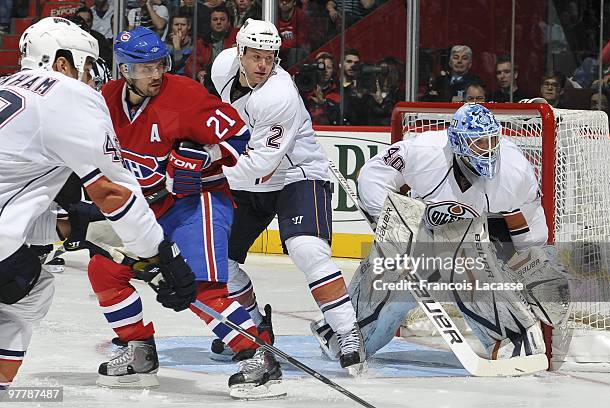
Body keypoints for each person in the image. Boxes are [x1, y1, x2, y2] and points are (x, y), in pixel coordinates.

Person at [0, 17, 196, 396]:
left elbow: (12, 194)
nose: (94, 77)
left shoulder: (8, 87)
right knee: (31, 289)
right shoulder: (69, 95)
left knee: (22, 276)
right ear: (60, 63)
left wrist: (75, 227)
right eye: (88, 65)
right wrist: (160, 254)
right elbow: (113, 193)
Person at [93, 26, 285, 399]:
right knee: (106, 271)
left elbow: (238, 136)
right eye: (144, 68)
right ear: (124, 70)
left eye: (159, 65)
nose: (155, 74)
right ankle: (139, 352)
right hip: (146, 207)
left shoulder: (185, 94)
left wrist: (205, 154)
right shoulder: (106, 100)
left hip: (199, 202)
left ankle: (258, 358)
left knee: (200, 288)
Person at [312, 103, 564, 363]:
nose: (487, 149)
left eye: (491, 140)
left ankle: (512, 339)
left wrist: (528, 263)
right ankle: (345, 333)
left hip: (486, 230)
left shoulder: (514, 171)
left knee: (473, 271)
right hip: (425, 228)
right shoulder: (424, 151)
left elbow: (524, 223)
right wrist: (392, 222)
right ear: (457, 142)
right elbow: (372, 177)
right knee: (394, 275)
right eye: (478, 142)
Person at [210, 19, 365, 371]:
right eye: (256, 57)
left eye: (271, 57)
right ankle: (252, 326)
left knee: (307, 249)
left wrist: (205, 172)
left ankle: (347, 332)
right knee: (219, 258)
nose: (264, 65)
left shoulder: (278, 94)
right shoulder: (221, 67)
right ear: (240, 52)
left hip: (296, 173)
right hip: (249, 177)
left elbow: (262, 162)